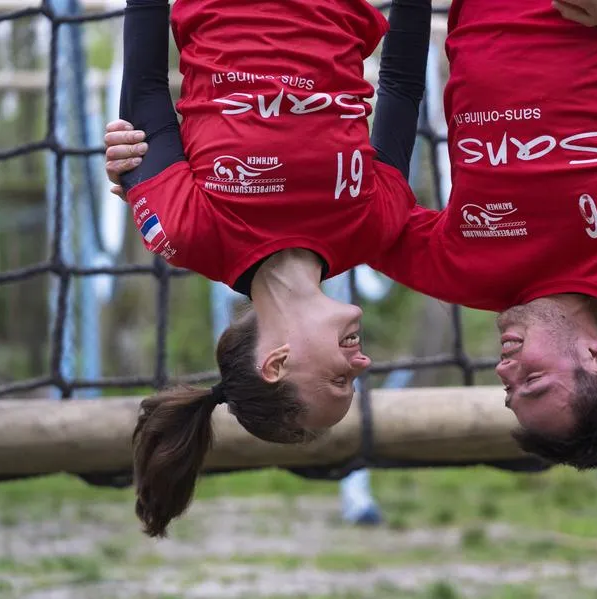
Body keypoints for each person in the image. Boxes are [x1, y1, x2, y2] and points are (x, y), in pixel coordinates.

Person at [107, 0, 597, 473]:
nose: (504, 369)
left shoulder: (454, 268)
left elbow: (351, 202)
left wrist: (145, 176)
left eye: (509, 388)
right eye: (529, 381)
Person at [109, 0, 431, 537]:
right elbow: (400, 85)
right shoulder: (375, 227)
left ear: (276, 363)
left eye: (338, 380)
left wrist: (132, 160)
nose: (363, 363)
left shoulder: (187, 233)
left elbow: (144, 90)